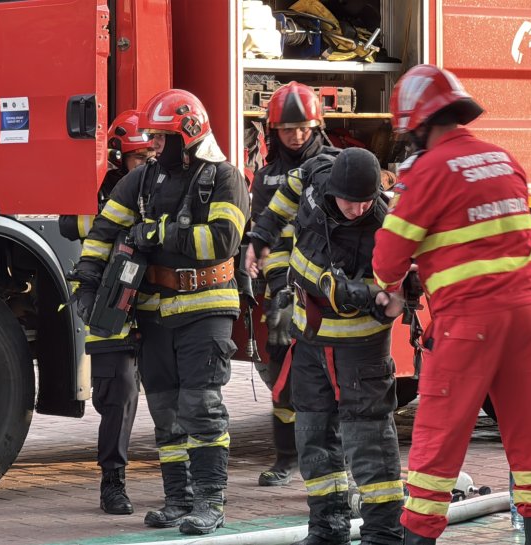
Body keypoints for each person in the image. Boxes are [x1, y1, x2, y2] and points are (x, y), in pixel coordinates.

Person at [372, 64, 531, 545]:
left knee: (437, 446)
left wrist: (390, 290)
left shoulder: (427, 171)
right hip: (530, 317)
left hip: (469, 323)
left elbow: (388, 256)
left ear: (418, 124)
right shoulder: (503, 159)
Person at [69, 89, 249, 536]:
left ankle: (209, 502)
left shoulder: (224, 178)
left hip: (206, 308)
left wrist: (158, 233)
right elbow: (104, 230)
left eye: (161, 137)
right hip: (154, 312)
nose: (152, 145)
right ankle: (178, 500)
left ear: (188, 135)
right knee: (165, 409)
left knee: (201, 407)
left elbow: (222, 241)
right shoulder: (143, 180)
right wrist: (86, 283)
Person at [245, 147, 404, 545]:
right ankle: (327, 529)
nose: (358, 209)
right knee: (313, 435)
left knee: (368, 442)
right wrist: (262, 237)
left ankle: (383, 535)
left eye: (366, 201)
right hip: (310, 341)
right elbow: (285, 196)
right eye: (350, 201)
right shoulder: (315, 176)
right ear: (333, 190)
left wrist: (356, 293)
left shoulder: (385, 227)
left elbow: (398, 295)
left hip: (360, 352)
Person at [60, 109, 153, 515]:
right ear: (119, 156)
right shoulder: (99, 191)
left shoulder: (170, 184)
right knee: (119, 395)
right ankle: (112, 483)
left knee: (176, 396)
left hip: (158, 302)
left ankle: (184, 483)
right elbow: (71, 224)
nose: (147, 162)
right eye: (139, 157)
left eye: (152, 153)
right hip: (111, 302)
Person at [249, 81, 339, 487]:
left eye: (304, 127)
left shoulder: (335, 167)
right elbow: (266, 237)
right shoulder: (266, 178)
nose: (297, 135)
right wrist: (278, 287)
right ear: (275, 131)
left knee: (332, 379)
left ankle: (331, 459)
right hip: (284, 292)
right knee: (281, 377)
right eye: (288, 129)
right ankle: (286, 458)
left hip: (327, 292)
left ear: (317, 127)